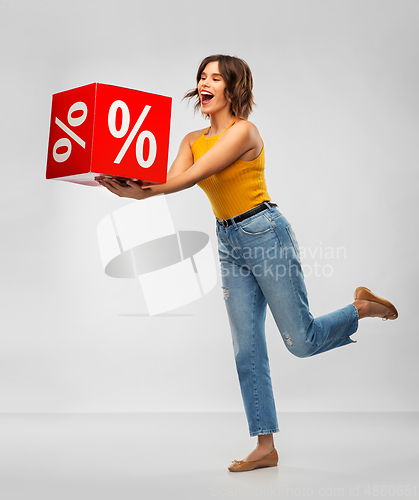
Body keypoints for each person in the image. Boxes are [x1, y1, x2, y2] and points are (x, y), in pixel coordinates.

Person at [96, 54, 398, 473]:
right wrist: (126, 184)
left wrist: (147, 190)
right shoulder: (190, 139)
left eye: (215, 77)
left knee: (302, 341)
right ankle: (265, 446)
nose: (204, 83)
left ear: (233, 88)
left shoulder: (243, 133)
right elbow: (166, 181)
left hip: (264, 233)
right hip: (228, 241)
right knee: (247, 348)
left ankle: (362, 307)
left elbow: (187, 178)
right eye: (202, 76)